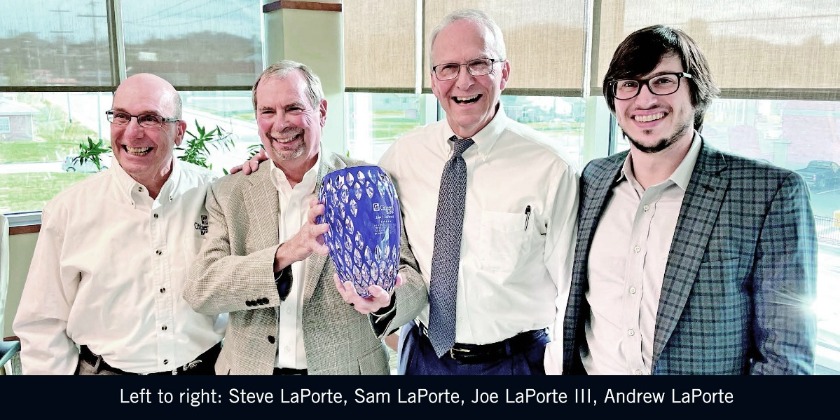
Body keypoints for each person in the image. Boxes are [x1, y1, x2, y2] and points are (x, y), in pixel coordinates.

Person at [561, 25, 817, 375]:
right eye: (628, 84)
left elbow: (785, 357)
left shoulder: (769, 193)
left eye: (664, 81)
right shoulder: (593, 178)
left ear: (696, 92)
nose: (644, 99)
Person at [335, 9, 579, 375]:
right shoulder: (404, 155)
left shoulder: (551, 167)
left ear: (504, 73)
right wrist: (276, 159)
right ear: (434, 81)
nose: (463, 81)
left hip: (516, 363)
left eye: (480, 64)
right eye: (448, 68)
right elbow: (355, 187)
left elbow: (571, 292)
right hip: (422, 357)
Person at [184, 60, 419, 375]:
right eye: (267, 112)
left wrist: (387, 299)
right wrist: (286, 253)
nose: (280, 124)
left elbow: (413, 279)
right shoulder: (229, 193)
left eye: (293, 108)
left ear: (321, 111)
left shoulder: (366, 184)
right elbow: (202, 289)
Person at [13, 73, 224, 375]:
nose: (132, 133)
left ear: (179, 132)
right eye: (121, 117)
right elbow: (42, 323)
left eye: (150, 118)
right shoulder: (69, 210)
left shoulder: (215, 193)